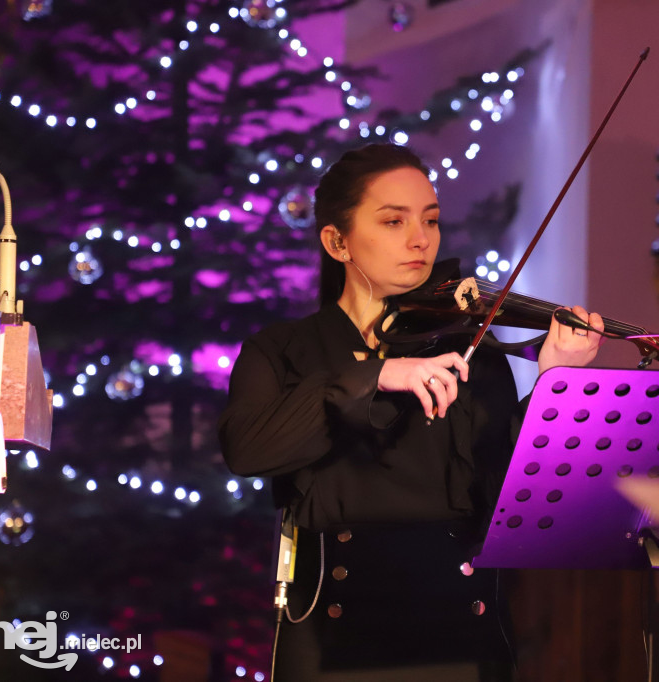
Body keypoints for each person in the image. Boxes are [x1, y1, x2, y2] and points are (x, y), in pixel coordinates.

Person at [218, 143, 604, 681]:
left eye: (431, 219)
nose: (420, 239)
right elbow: (249, 448)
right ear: (337, 241)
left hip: (458, 636)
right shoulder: (281, 351)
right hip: (334, 636)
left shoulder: (468, 347)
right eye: (393, 220)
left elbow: (505, 490)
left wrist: (552, 381)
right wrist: (375, 376)